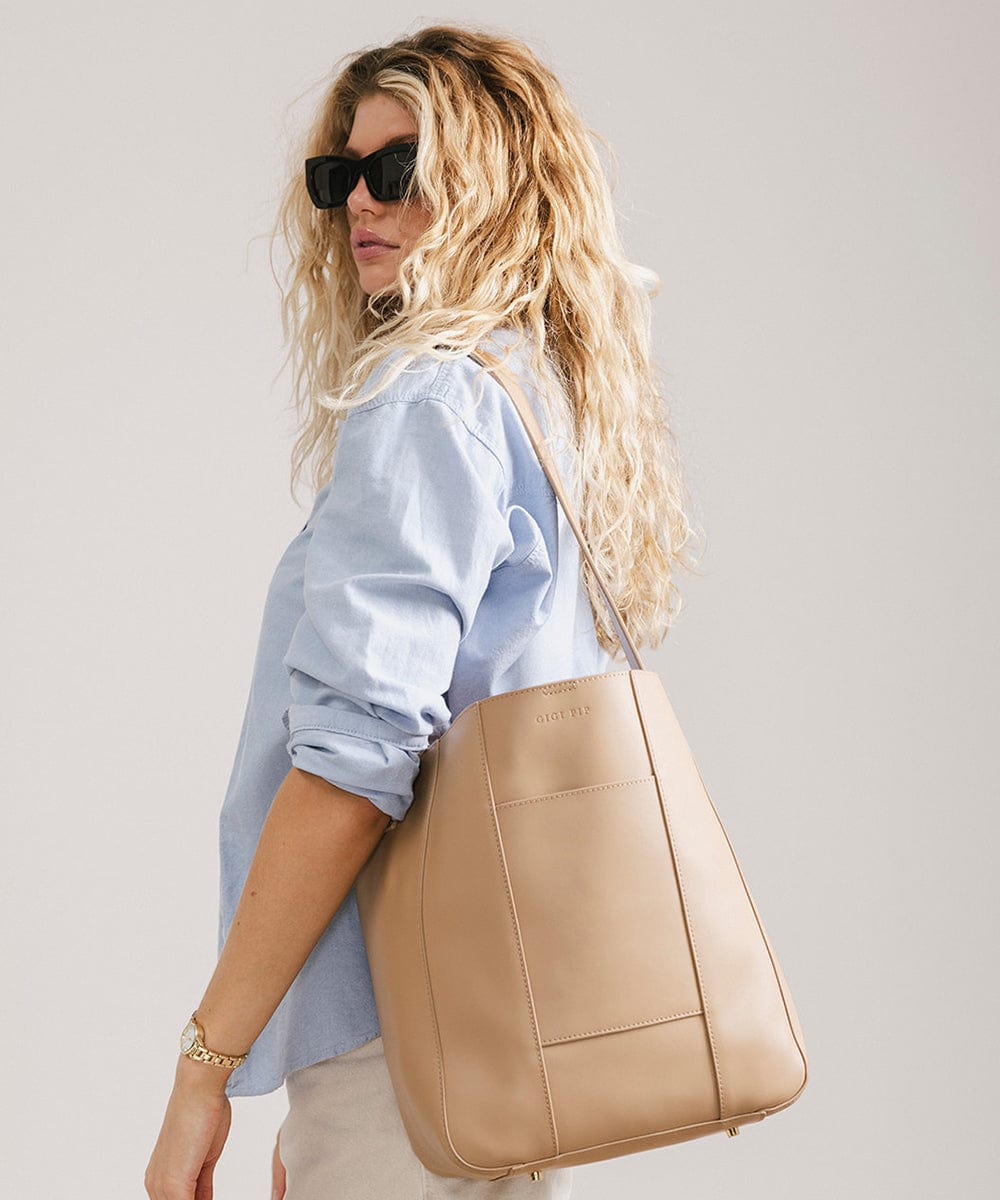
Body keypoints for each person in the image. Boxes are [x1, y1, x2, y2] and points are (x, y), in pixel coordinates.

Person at [144, 22, 701, 1200]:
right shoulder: (540, 399)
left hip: (397, 1044)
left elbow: (350, 775)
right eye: (339, 174)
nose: (358, 200)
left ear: (492, 185)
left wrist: (209, 1065)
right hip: (504, 1025)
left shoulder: (429, 399)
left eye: (396, 168)